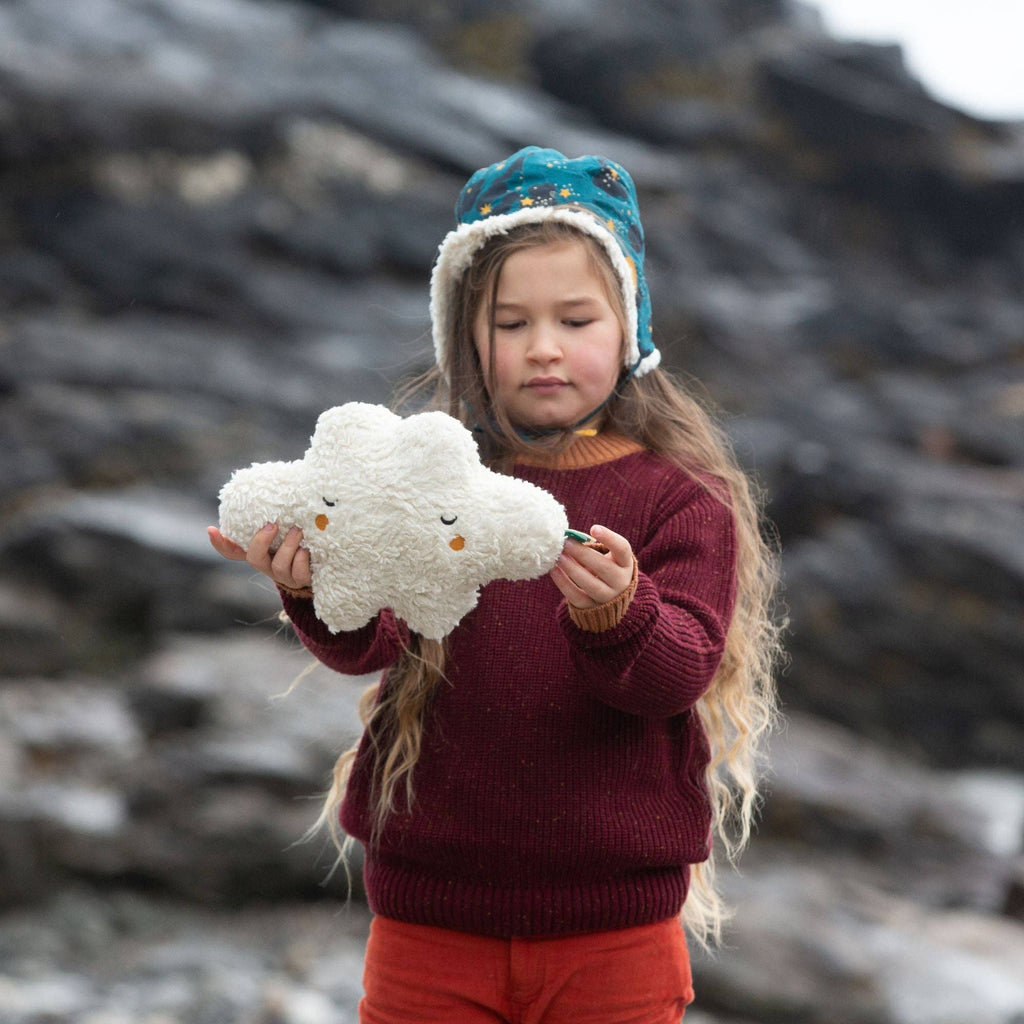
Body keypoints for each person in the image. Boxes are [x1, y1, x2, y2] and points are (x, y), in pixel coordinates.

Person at [209, 146, 783, 1023]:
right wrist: (311, 587)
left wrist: (618, 613)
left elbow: (679, 676)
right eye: (511, 324)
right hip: (430, 915)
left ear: (628, 326)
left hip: (614, 928)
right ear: (467, 338)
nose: (544, 348)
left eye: (577, 320)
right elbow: (369, 642)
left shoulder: (678, 499)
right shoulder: (427, 477)